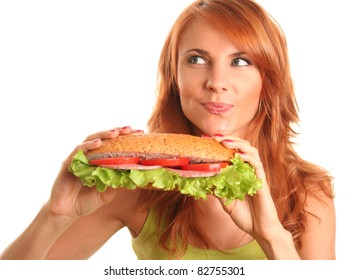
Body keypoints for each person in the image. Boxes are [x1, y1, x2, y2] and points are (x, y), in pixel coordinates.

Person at [0, 0, 335, 260]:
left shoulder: (308, 194)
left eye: (241, 61)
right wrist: (55, 214)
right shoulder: (135, 185)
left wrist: (272, 237)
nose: (216, 82)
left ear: (269, 79)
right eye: (197, 59)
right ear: (173, 77)